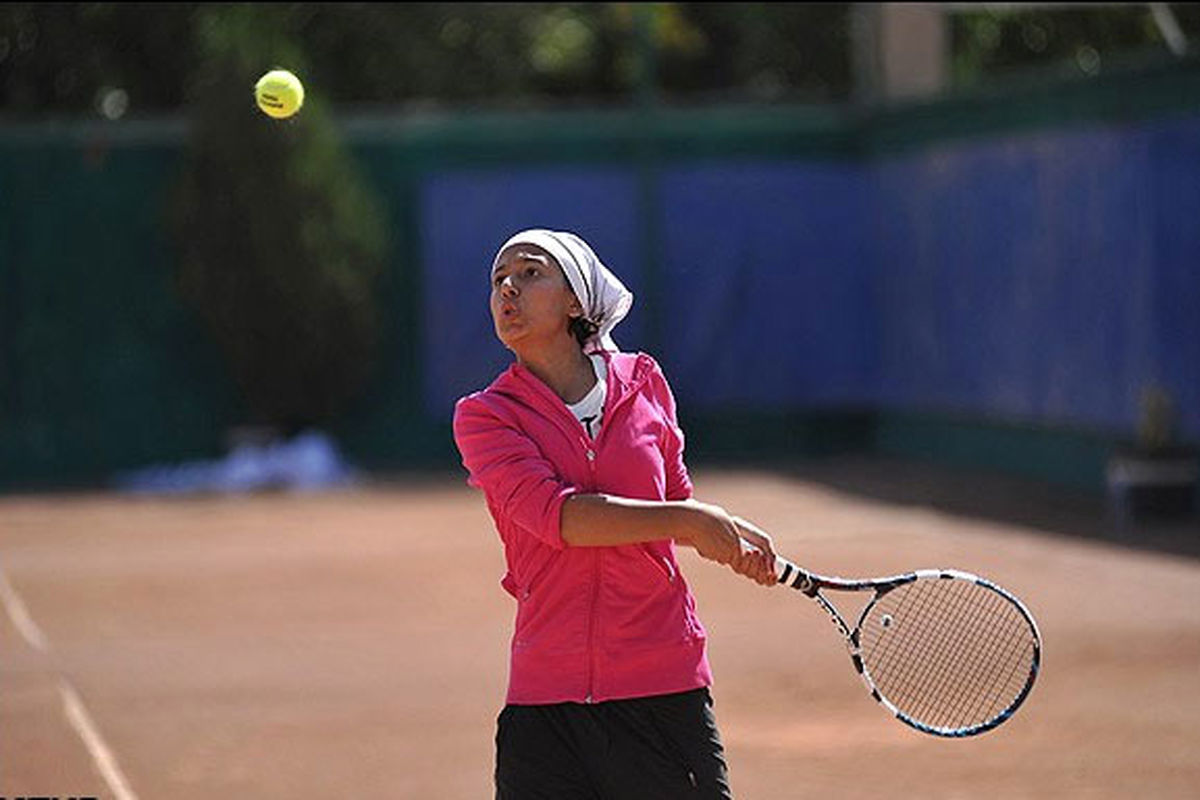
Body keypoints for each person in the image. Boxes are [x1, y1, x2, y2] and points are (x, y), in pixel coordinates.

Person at [452, 228, 778, 799]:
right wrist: (691, 522)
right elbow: (558, 518)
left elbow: (677, 501)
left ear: (577, 298)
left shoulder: (645, 383)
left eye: (530, 273)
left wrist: (723, 531)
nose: (508, 287)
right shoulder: (485, 416)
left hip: (663, 685)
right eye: (499, 278)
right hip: (546, 706)